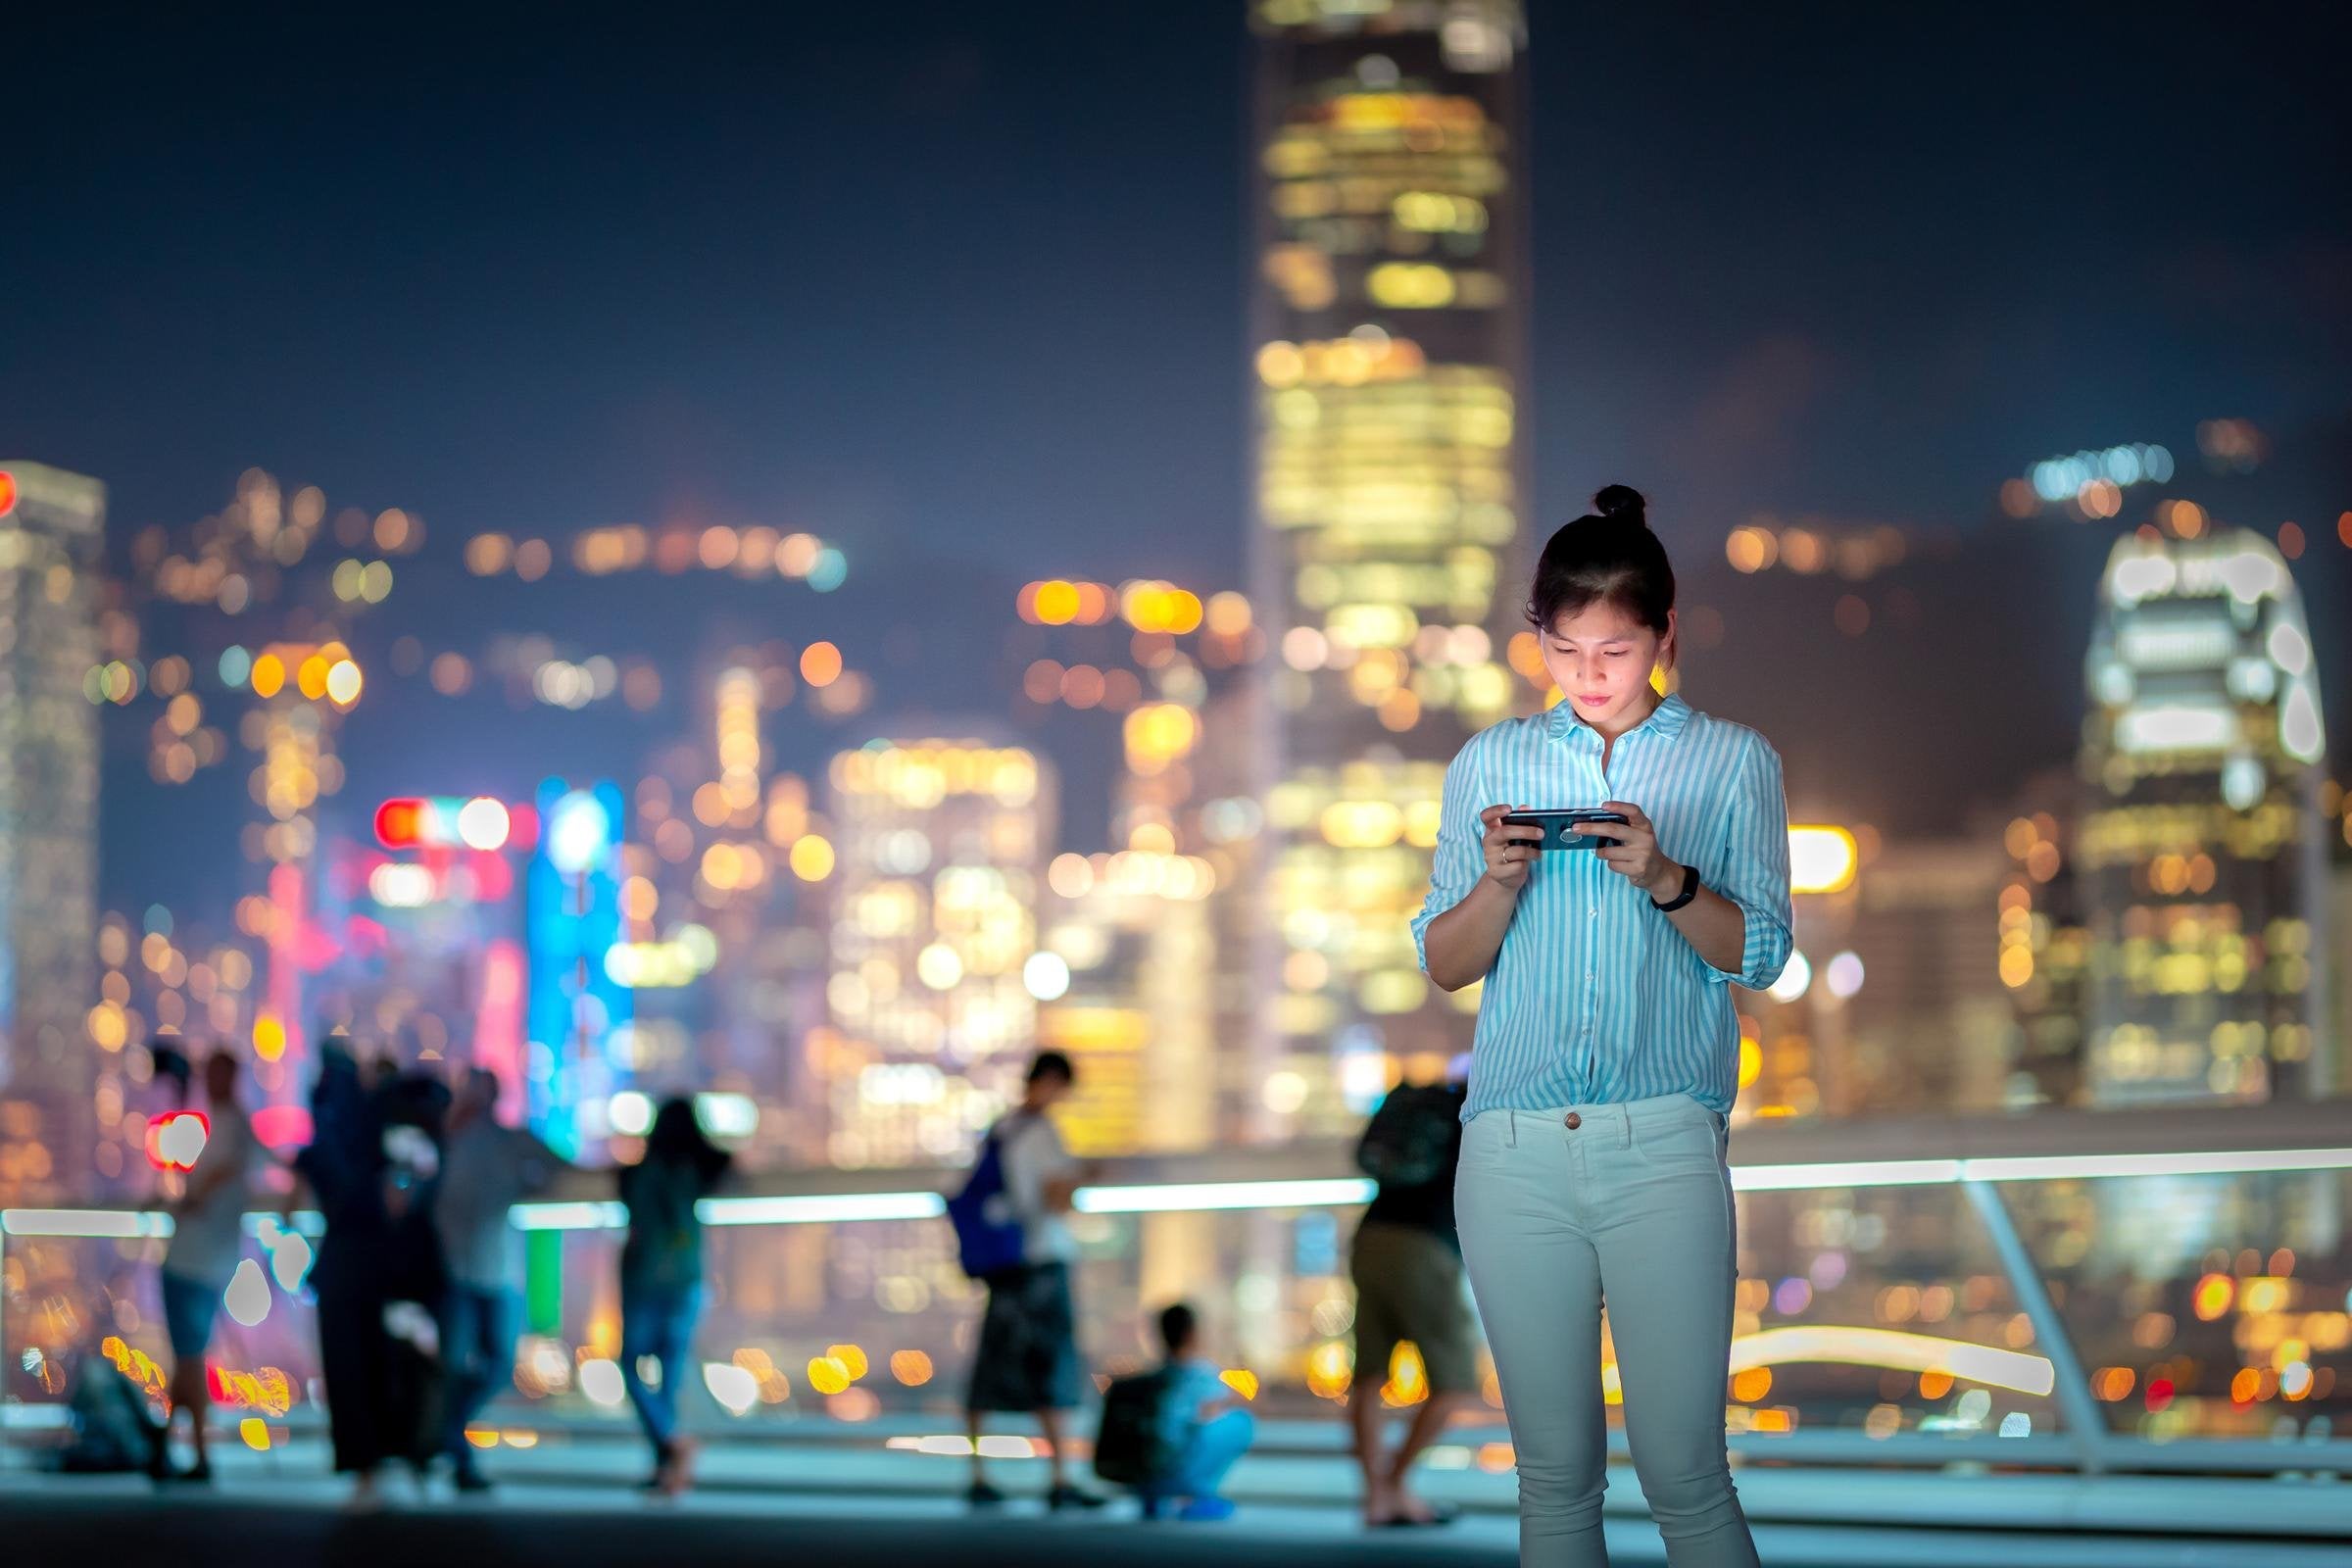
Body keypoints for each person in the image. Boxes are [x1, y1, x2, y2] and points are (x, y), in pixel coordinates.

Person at [1413, 486, 1792, 1568]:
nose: (1589, 674)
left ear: (1666, 635)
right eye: (1565, 647)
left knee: (1686, 1476)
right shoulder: (1490, 763)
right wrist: (1497, 883)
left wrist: (1666, 875)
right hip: (1511, 1150)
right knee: (1554, 1484)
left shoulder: (1732, 760)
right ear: (1535, 638)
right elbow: (1445, 964)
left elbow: (1760, 951)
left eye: (1617, 649)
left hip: (1662, 1142)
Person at [964, 1051, 1103, 1511]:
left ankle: (979, 1474)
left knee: (993, 1364)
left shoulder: (1002, 1130)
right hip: (1041, 1260)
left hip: (1005, 1263)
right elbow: (1055, 1199)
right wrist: (1084, 1176)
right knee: (1052, 1367)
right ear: (1050, 1082)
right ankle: (1061, 1476)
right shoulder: (1040, 1132)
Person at [1348, 1074, 1476, 1528]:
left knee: (1367, 1376)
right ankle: (1394, 1486)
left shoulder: (1418, 1100)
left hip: (1372, 1237)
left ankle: (1376, 1497)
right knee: (1456, 1381)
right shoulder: (1478, 1104)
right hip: (1425, 1246)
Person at [431, 1067, 563, 1492]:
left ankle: (444, 1433)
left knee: (492, 1364)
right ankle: (453, 1448)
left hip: (486, 1270)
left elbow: (556, 1165)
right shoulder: (447, 1142)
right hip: (463, 1271)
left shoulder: (500, 1141)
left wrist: (530, 1184)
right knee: (464, 1363)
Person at [151, 1049, 262, 1483]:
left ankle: (195, 1453)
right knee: (188, 1358)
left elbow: (216, 1179)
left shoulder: (230, 1129)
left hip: (193, 1261)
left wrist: (188, 1198)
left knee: (190, 1358)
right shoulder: (232, 1127)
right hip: (208, 1260)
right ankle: (165, 1446)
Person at [617, 1096, 730, 1495]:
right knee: (668, 1371)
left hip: (644, 1279)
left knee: (633, 1365)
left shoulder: (639, 1174)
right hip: (684, 1278)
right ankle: (668, 1453)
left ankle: (667, 1451)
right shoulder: (700, 1170)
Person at [1145, 1302, 1254, 1522]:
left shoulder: (1149, 1379)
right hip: (1175, 1468)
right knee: (1241, 1422)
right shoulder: (1200, 1375)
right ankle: (1198, 1495)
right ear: (1191, 1334)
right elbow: (1216, 1407)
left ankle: (1156, 1497)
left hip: (1145, 1473)